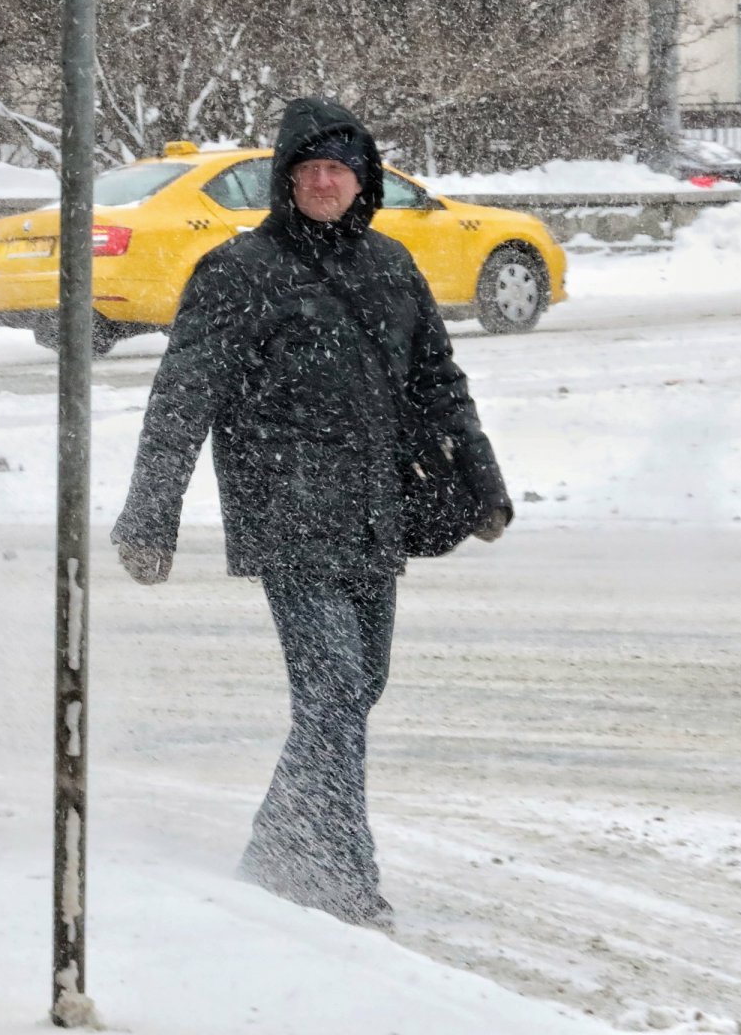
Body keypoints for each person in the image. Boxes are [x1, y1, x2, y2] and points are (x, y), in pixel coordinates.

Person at [111, 97, 512, 931]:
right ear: (286, 181)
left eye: (340, 169)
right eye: (310, 170)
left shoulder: (392, 267)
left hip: (374, 509)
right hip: (286, 510)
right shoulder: (239, 271)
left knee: (359, 686)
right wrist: (150, 516)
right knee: (332, 690)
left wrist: (483, 482)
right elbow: (182, 398)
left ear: (362, 179)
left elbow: (438, 382)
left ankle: (277, 854)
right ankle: (340, 880)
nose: (326, 183)